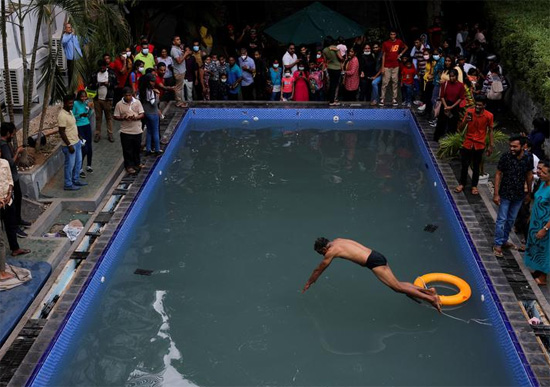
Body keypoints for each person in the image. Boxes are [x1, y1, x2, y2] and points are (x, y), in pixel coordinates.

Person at [303, 237, 442, 312]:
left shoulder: (331, 251)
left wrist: (310, 282)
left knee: (397, 288)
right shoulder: (339, 240)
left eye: (320, 252)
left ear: (323, 248)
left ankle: (432, 299)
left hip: (372, 262)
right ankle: (429, 291)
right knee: (398, 283)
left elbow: (319, 269)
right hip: (376, 255)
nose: (322, 255)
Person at [493, 135, 534, 257]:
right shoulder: (506, 157)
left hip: (519, 195)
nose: (512, 148)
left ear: (522, 146)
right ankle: (498, 244)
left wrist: (529, 193)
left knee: (510, 220)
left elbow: (529, 175)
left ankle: (504, 240)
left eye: (515, 146)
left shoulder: (528, 157)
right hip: (505, 193)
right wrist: (496, 194)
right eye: (510, 146)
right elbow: (498, 174)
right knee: (501, 219)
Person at [454, 99, 494, 195]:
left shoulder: (489, 116)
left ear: (484, 105)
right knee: (464, 165)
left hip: (479, 144)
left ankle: (474, 186)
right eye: (476, 105)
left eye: (480, 105)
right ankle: (462, 184)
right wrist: (465, 122)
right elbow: (460, 128)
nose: (477, 107)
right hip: (468, 143)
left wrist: (491, 145)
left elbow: (490, 130)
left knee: (476, 166)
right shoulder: (469, 112)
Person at [523, 159, 550, 285]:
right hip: (536, 222)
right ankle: (538, 271)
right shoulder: (543, 184)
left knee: (545, 251)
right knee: (537, 247)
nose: (540, 173)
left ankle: (543, 277)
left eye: (544, 172)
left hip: (546, 225)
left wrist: (545, 229)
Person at [58, 94, 88, 191]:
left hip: (77, 142)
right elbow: (62, 132)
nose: (71, 105)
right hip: (70, 145)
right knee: (69, 165)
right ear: (65, 103)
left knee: (78, 163)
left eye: (72, 103)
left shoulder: (70, 112)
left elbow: (73, 126)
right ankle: (68, 184)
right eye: (70, 103)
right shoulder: (62, 115)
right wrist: (69, 145)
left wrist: (79, 136)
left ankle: (75, 180)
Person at [114, 87, 145, 175]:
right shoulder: (119, 104)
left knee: (137, 148)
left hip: (137, 130)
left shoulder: (137, 102)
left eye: (129, 95)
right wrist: (123, 117)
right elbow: (115, 116)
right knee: (127, 150)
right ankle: (129, 166)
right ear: (123, 95)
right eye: (126, 95)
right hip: (125, 131)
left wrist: (136, 118)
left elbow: (142, 114)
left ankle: (137, 163)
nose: (128, 97)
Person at [433, 69, 465, 142]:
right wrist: (446, 106)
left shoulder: (460, 85)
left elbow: (461, 98)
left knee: (452, 123)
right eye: (450, 76)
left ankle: (450, 139)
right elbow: (442, 96)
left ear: (456, 76)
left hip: (454, 106)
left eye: (453, 76)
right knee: (441, 122)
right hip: (445, 105)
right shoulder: (445, 83)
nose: (451, 78)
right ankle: (439, 137)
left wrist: (451, 107)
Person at [89, 60, 116, 143]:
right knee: (98, 118)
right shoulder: (94, 74)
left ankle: (110, 134)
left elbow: (115, 84)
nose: (102, 68)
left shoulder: (111, 74)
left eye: (103, 67)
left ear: (106, 66)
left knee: (109, 117)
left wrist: (108, 84)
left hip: (107, 100)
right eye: (100, 67)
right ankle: (97, 134)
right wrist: (98, 84)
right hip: (97, 99)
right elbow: (90, 85)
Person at [379, 30, 408, 107]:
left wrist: (400, 54)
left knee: (395, 82)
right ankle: (382, 98)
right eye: (391, 34)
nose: (392, 36)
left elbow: (406, 47)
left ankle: (394, 98)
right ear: (389, 35)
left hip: (395, 65)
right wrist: (382, 67)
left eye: (394, 34)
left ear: (395, 35)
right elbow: (383, 55)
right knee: (385, 82)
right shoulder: (386, 43)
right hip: (387, 65)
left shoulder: (399, 42)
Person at [72, 90, 94, 177]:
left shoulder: (86, 103)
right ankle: (79, 167)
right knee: (84, 147)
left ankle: (89, 165)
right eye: (82, 97)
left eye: (85, 97)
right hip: (79, 126)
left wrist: (89, 109)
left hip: (87, 125)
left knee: (90, 146)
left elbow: (88, 114)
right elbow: (73, 116)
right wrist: (80, 115)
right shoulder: (75, 104)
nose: (83, 98)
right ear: (79, 97)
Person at [139, 74, 162, 156]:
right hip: (153, 113)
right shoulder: (151, 91)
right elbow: (153, 103)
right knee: (155, 132)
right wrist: (158, 96)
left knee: (149, 131)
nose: (154, 83)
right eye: (152, 81)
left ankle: (148, 149)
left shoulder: (142, 90)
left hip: (146, 112)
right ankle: (157, 149)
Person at [61, 23, 83, 89]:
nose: (70, 28)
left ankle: (80, 88)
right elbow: (64, 42)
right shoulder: (64, 36)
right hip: (71, 59)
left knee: (79, 74)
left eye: (70, 27)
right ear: (65, 29)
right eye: (68, 27)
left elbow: (82, 42)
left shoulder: (75, 36)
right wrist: (71, 35)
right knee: (71, 74)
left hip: (78, 58)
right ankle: (71, 89)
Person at [170, 36, 188, 108]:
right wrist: (186, 54)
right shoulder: (174, 50)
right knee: (178, 88)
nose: (179, 41)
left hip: (181, 70)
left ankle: (180, 101)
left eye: (179, 39)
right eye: (177, 40)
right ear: (173, 42)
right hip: (178, 71)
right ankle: (179, 102)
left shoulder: (178, 48)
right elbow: (179, 61)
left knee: (180, 87)